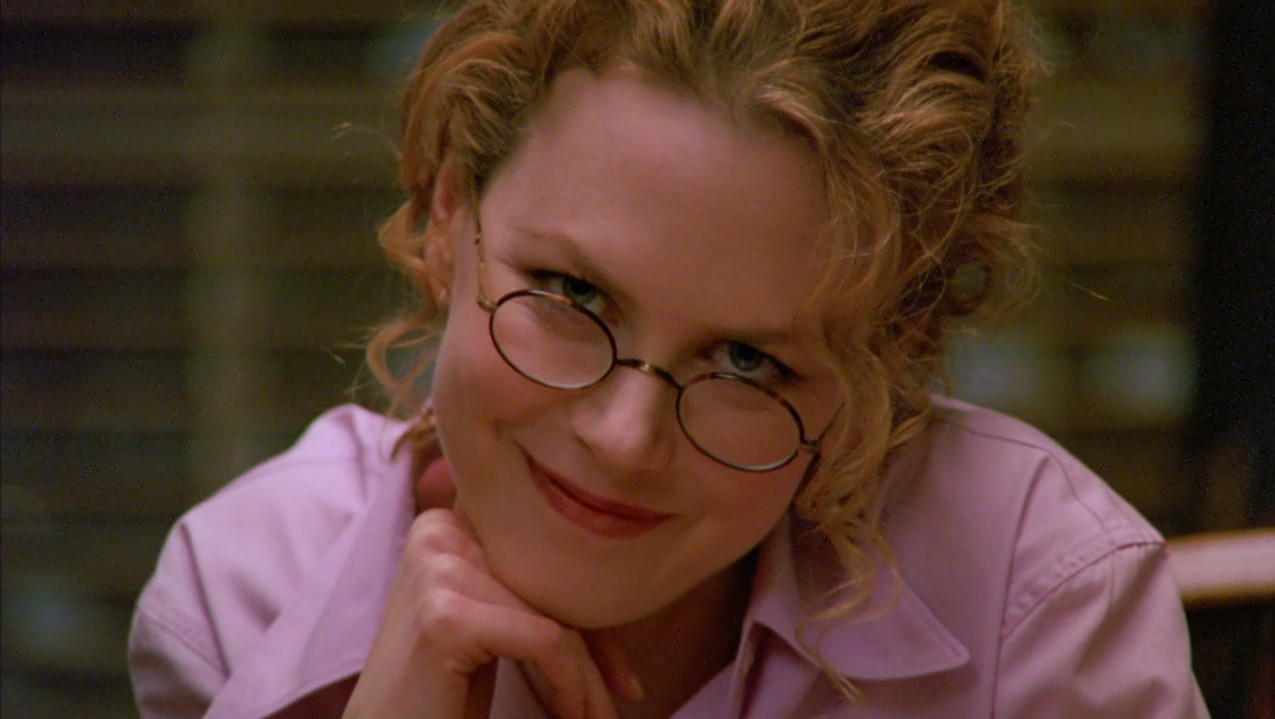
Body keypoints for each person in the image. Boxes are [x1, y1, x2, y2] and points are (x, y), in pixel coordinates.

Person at [128, 1, 1208, 717]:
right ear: (449, 211)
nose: (622, 437)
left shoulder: (1037, 602)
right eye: (571, 294)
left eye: (746, 360)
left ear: (886, 362)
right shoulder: (246, 596)